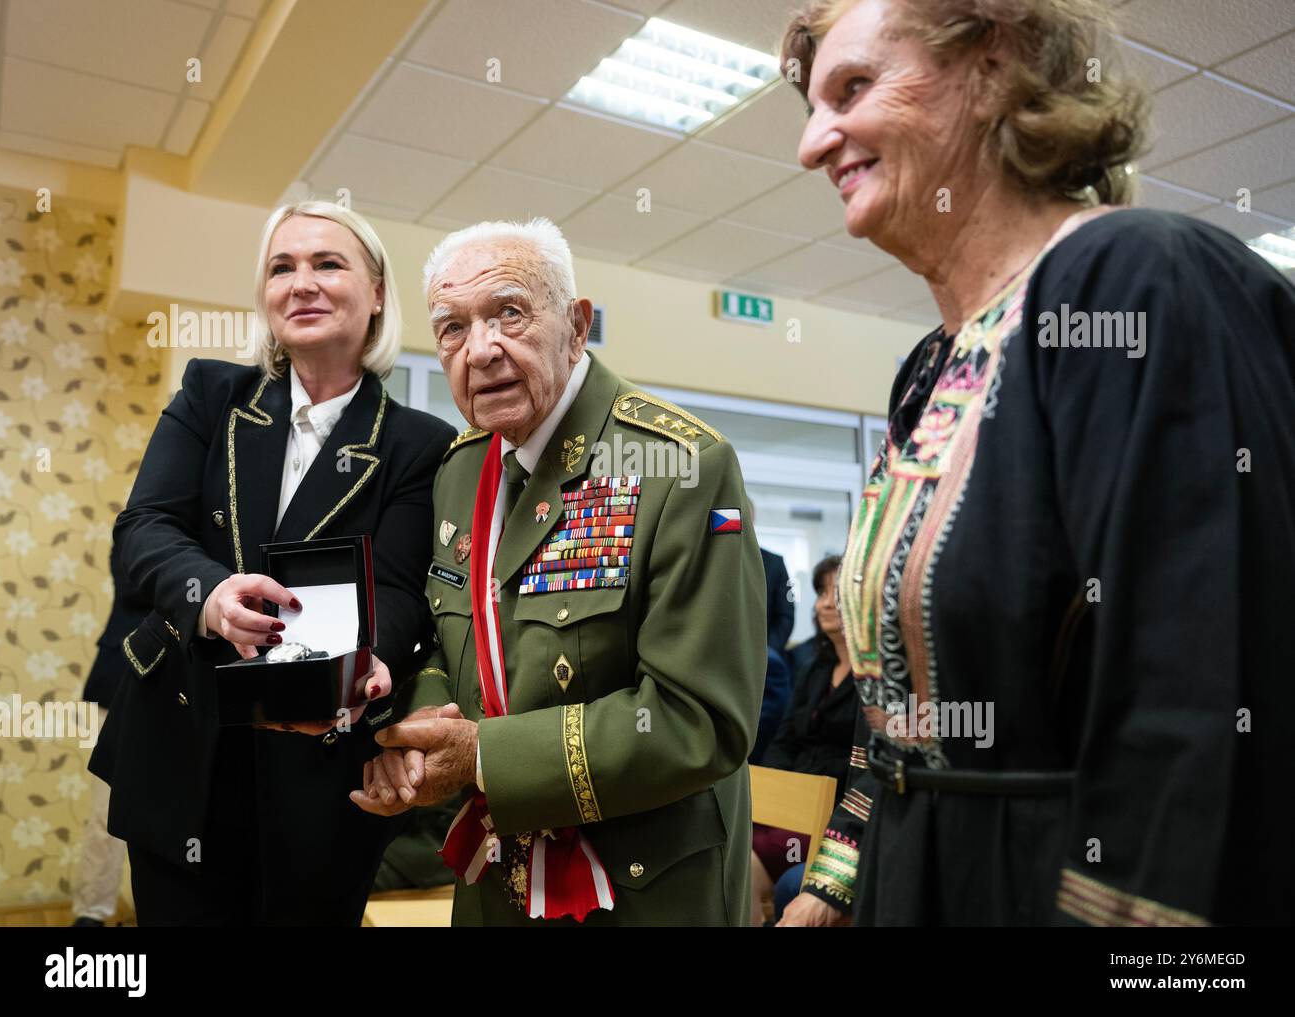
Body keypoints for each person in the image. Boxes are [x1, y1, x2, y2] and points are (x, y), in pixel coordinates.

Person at [777, 0, 1295, 927]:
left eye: (854, 87)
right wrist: (838, 874)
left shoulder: (1138, 280)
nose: (816, 142)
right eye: (812, 107)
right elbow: (900, 700)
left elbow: (1203, 715)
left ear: (991, 63)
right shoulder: (928, 368)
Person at [351, 217, 766, 926]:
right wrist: (423, 731)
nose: (481, 349)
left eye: (509, 312)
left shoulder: (681, 465)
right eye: (452, 328)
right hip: (495, 880)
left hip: (639, 888)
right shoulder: (459, 471)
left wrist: (482, 757)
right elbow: (449, 646)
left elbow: (701, 720)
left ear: (577, 325)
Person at [88, 200, 456, 925]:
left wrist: (373, 658)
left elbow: (399, 588)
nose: (302, 282)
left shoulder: (418, 441)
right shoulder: (210, 395)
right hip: (183, 748)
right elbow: (144, 528)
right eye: (282, 267)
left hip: (323, 768)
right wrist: (212, 593)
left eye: (328, 263)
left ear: (377, 291)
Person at [751, 554, 855, 923]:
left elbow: (862, 762)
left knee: (761, 870)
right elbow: (785, 739)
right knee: (732, 862)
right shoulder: (813, 668)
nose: (825, 603)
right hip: (790, 811)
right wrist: (785, 790)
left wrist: (806, 790)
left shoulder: (875, 678)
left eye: (837, 594)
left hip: (836, 818)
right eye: (821, 593)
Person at [71, 543, 146, 927]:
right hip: (117, 679)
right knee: (106, 810)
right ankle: (91, 914)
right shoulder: (140, 527)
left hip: (187, 683)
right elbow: (140, 587)